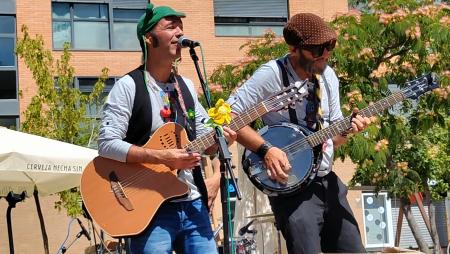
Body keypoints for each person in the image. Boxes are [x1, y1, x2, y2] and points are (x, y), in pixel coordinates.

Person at [97, 3, 236, 254]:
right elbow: (106, 143)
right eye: (171, 27)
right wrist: (161, 156)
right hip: (149, 207)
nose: (180, 32)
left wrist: (220, 139)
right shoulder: (128, 86)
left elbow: (206, 137)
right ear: (149, 39)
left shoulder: (187, 87)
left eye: (181, 26)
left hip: (193, 202)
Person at [227, 13, 370, 253]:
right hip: (292, 188)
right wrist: (266, 149)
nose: (326, 53)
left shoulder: (329, 76)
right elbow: (228, 117)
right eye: (318, 49)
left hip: (328, 181)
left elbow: (333, 136)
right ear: (295, 49)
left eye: (330, 46)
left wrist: (349, 129)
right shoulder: (271, 74)